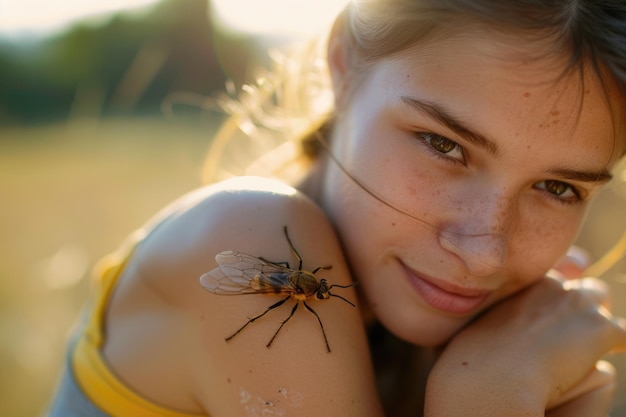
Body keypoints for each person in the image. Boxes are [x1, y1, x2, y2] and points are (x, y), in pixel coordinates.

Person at [46, 0, 626, 416]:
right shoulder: (250, 231)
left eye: (558, 188)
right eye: (443, 144)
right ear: (344, 63)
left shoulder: (473, 321)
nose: (483, 253)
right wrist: (494, 394)